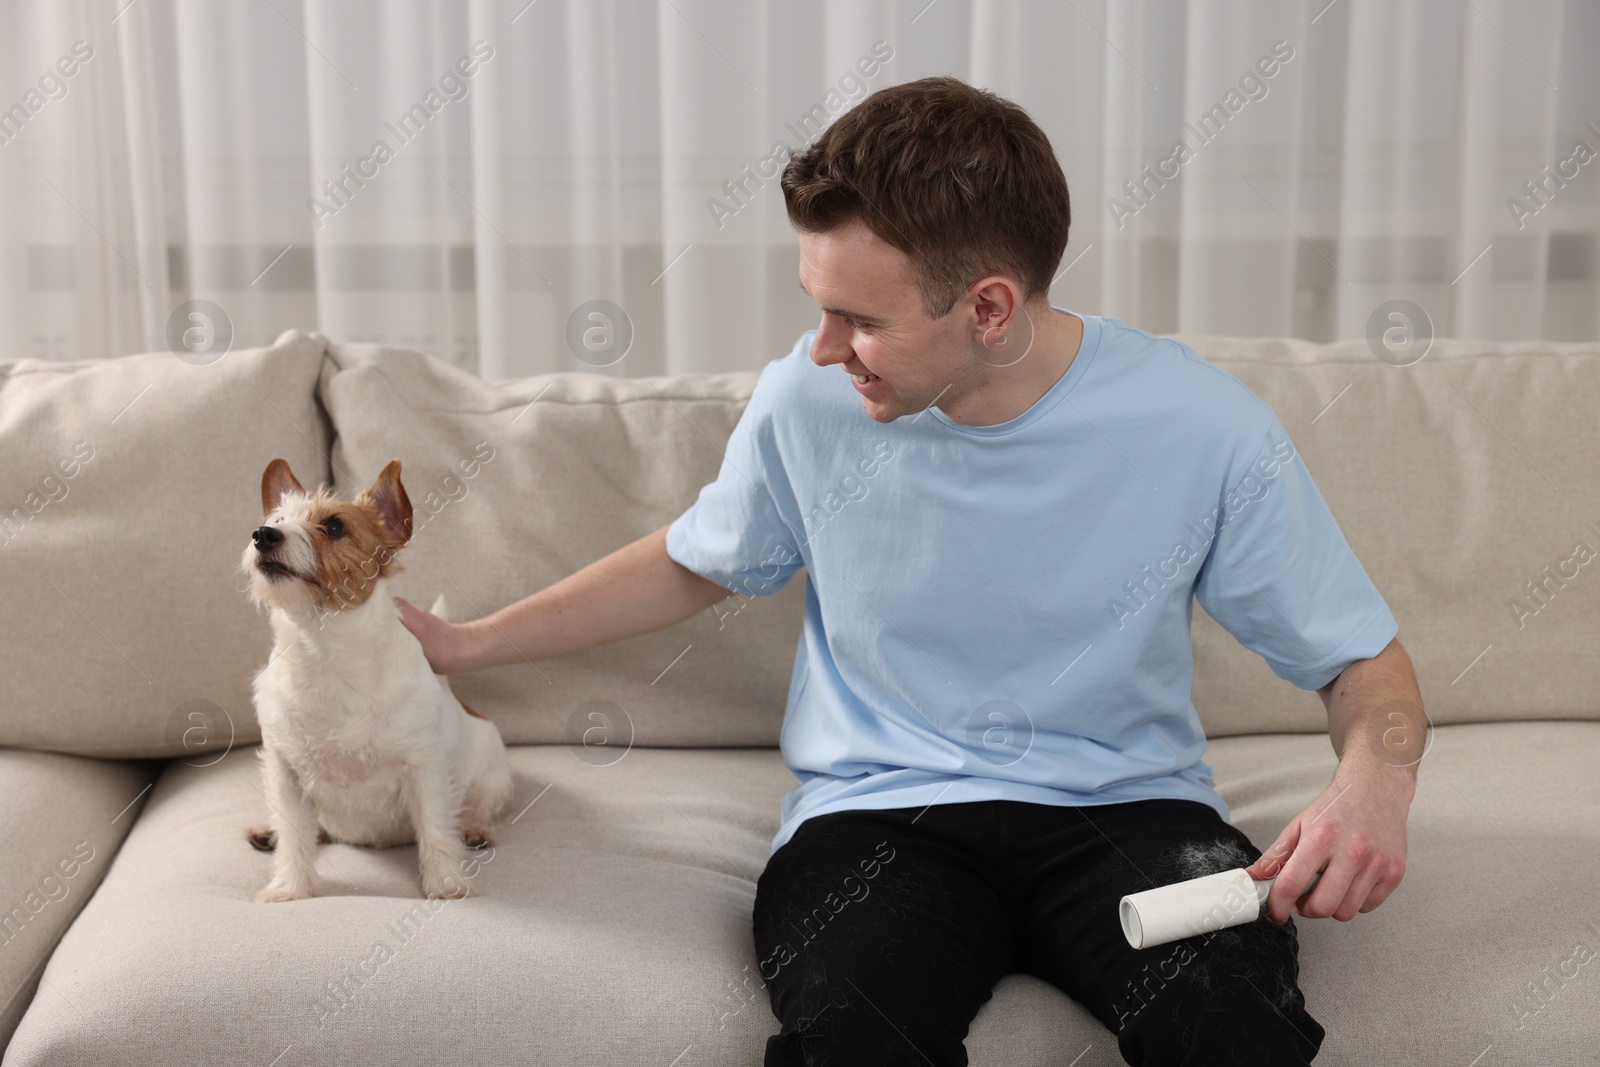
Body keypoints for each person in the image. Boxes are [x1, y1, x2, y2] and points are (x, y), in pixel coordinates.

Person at [397, 75, 1426, 1067]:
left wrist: (1374, 780)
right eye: (818, 306)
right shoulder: (806, 403)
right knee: (852, 1034)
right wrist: (464, 642)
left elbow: (1359, 661)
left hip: (1130, 816)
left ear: (986, 308)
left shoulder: (1201, 425)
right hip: (879, 819)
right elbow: (693, 560)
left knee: (1231, 1028)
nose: (821, 348)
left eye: (860, 319)